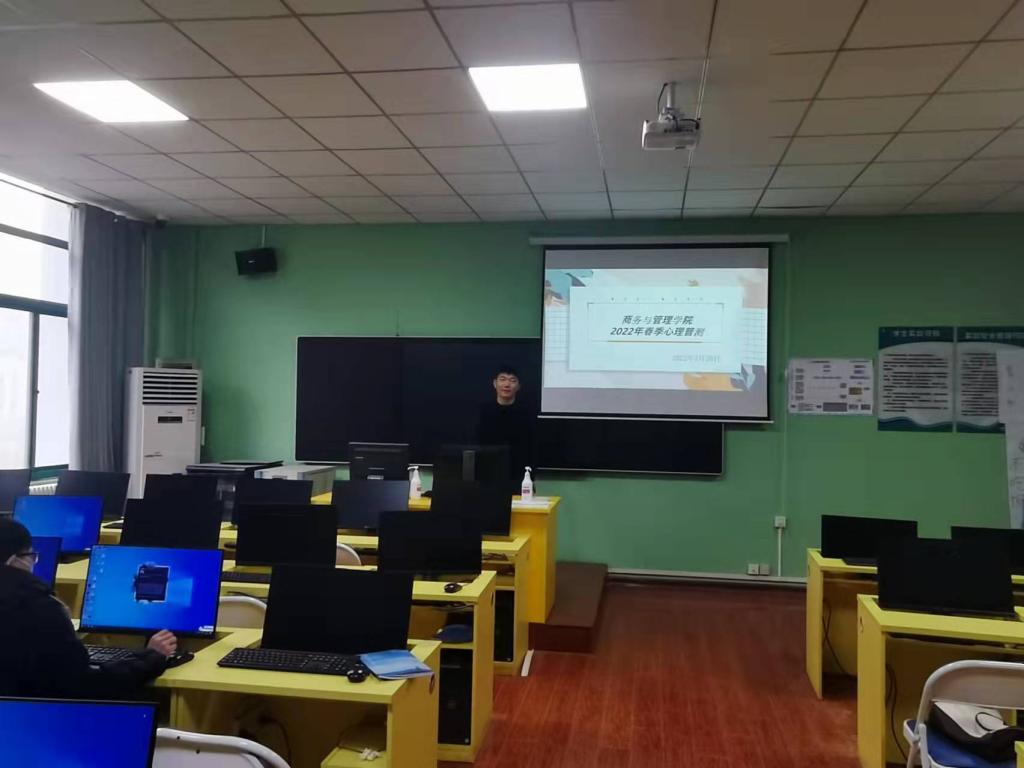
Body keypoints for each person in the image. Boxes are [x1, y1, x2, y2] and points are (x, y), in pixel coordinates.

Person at [0, 518, 177, 699]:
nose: (33, 562)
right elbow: (85, 684)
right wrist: (151, 658)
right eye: (31, 556)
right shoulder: (40, 610)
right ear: (13, 561)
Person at [476, 365, 535, 495]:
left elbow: (531, 449)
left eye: (512, 380)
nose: (507, 384)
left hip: (519, 478)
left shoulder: (526, 414)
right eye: (502, 379)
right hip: (487, 477)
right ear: (494, 383)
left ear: (518, 386)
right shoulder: (484, 412)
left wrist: (530, 479)